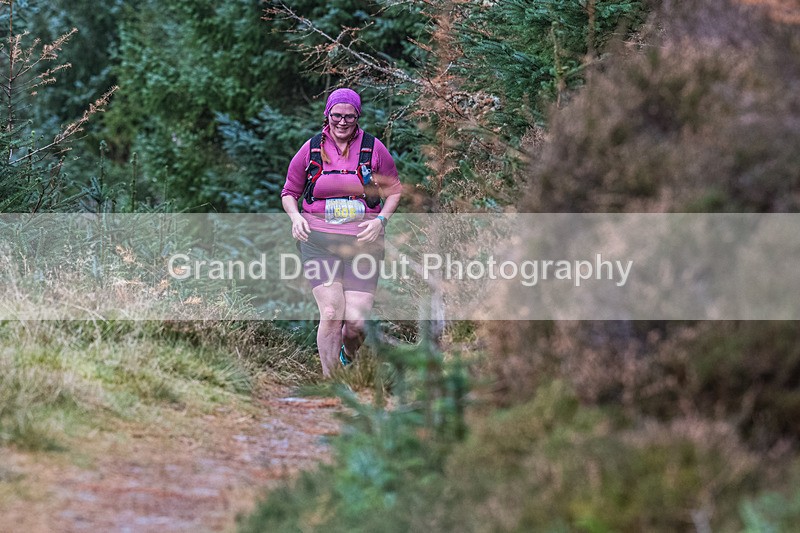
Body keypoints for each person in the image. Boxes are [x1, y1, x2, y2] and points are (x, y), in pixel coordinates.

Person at [281, 88, 402, 376]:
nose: (342, 122)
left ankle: (348, 354)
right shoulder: (311, 149)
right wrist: (295, 218)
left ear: (357, 117)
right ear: (327, 115)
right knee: (332, 313)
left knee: (356, 324)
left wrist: (381, 221)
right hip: (318, 241)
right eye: (337, 115)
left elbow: (395, 191)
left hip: (363, 243)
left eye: (349, 116)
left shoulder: (373, 148)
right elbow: (289, 192)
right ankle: (331, 381)